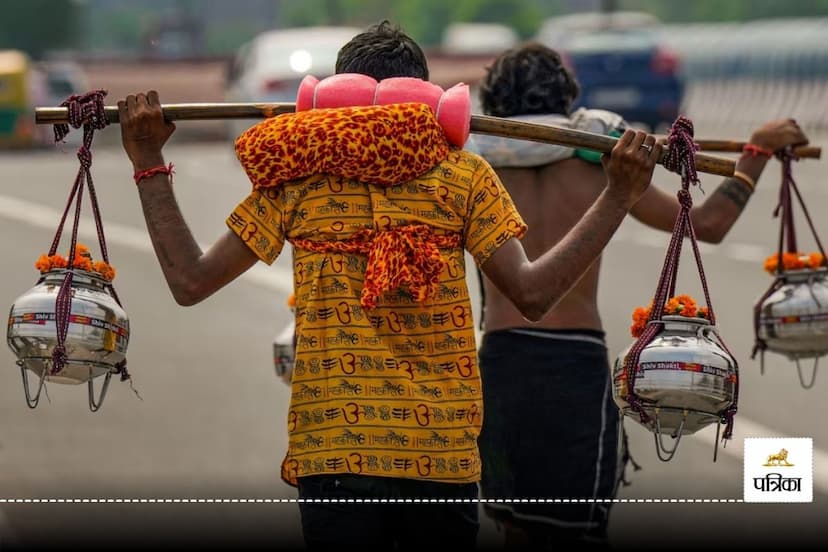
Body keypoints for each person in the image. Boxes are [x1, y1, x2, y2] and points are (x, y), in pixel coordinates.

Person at [116, 22, 659, 550]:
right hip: (441, 456)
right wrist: (618, 196)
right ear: (425, 99)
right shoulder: (464, 177)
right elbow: (534, 295)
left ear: (330, 100)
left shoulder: (297, 182)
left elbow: (190, 281)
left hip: (336, 454)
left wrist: (147, 160)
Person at [472, 42, 810, 550]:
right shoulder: (602, 163)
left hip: (500, 368)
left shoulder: (471, 170)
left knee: (517, 529)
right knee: (580, 529)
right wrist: (756, 153)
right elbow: (709, 225)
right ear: (568, 103)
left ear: (494, 108)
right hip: (575, 369)